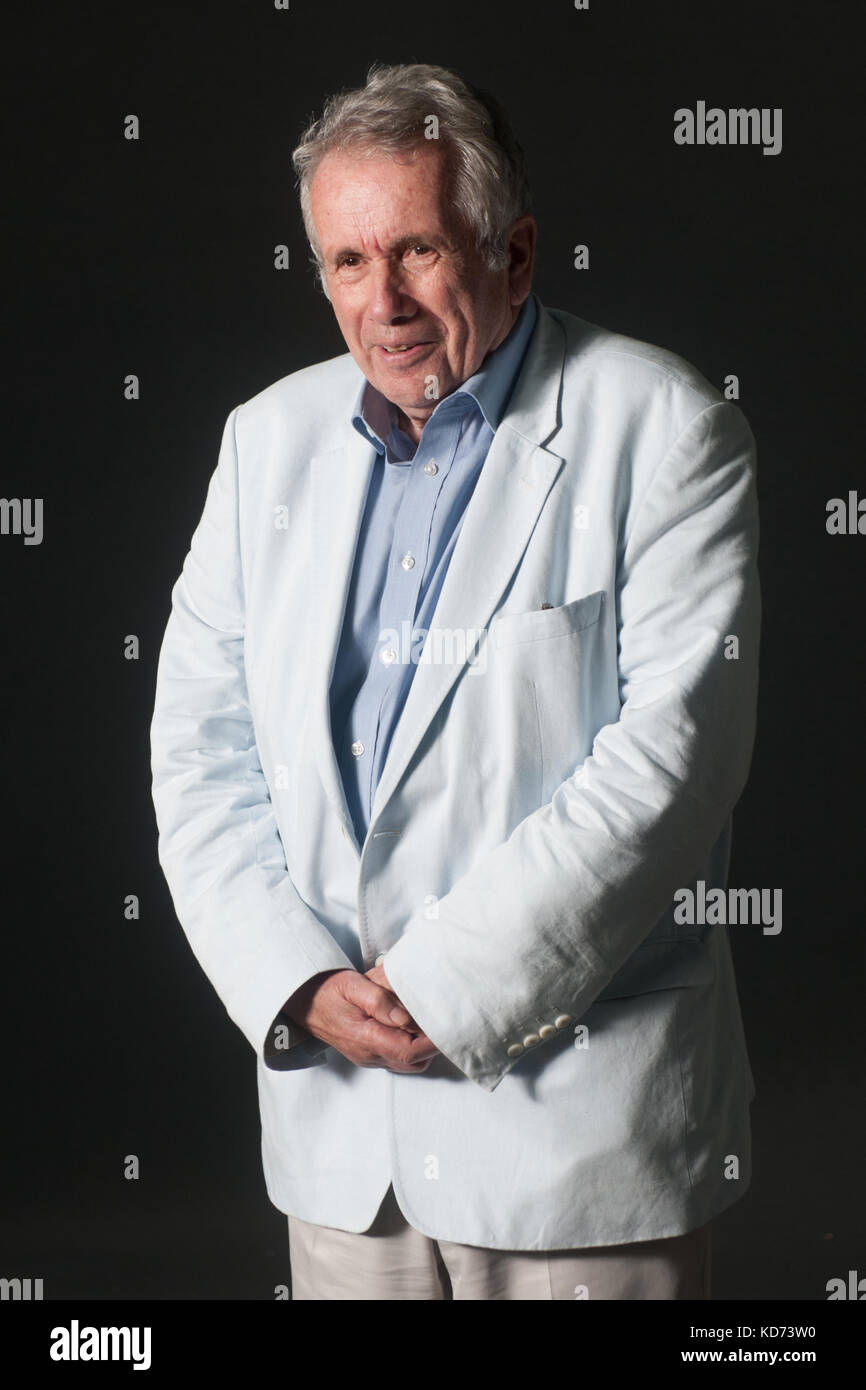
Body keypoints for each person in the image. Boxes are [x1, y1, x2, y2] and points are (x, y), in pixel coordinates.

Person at [150, 61, 760, 1301]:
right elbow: (198, 747)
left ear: (514, 250)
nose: (384, 304)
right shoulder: (263, 440)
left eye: (418, 251)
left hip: (576, 1134)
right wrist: (295, 981)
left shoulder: (666, 428)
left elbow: (669, 761)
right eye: (345, 262)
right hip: (340, 1143)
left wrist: (443, 991)